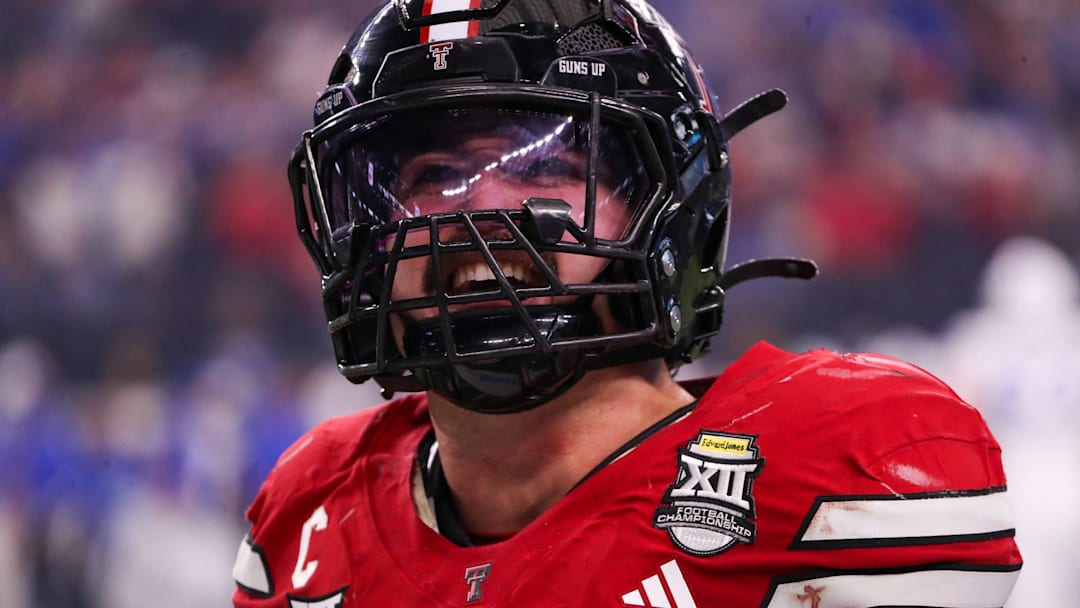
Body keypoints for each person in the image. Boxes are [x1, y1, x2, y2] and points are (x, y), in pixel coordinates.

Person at [232, 1, 1022, 606]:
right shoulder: (313, 509)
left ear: (669, 211)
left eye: (545, 170)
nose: (478, 213)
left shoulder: (836, 466)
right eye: (433, 177)